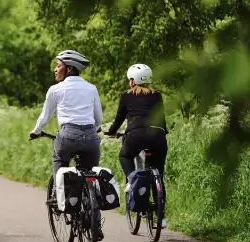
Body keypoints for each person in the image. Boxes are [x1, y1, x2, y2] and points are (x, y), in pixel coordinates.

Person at [104, 64, 168, 228]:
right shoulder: (157, 95)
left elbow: (119, 118)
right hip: (157, 136)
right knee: (158, 174)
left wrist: (111, 131)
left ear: (133, 80)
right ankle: (161, 217)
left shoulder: (127, 95)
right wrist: (163, 132)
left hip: (136, 135)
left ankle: (132, 180)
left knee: (124, 155)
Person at [30, 50, 104, 177]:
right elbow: (98, 119)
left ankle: (58, 194)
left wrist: (36, 131)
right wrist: (94, 131)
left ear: (69, 69)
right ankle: (92, 194)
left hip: (68, 137)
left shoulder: (55, 89)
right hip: (91, 137)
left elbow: (44, 117)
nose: (55, 69)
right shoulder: (92, 88)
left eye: (58, 66)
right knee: (91, 173)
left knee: (59, 161)